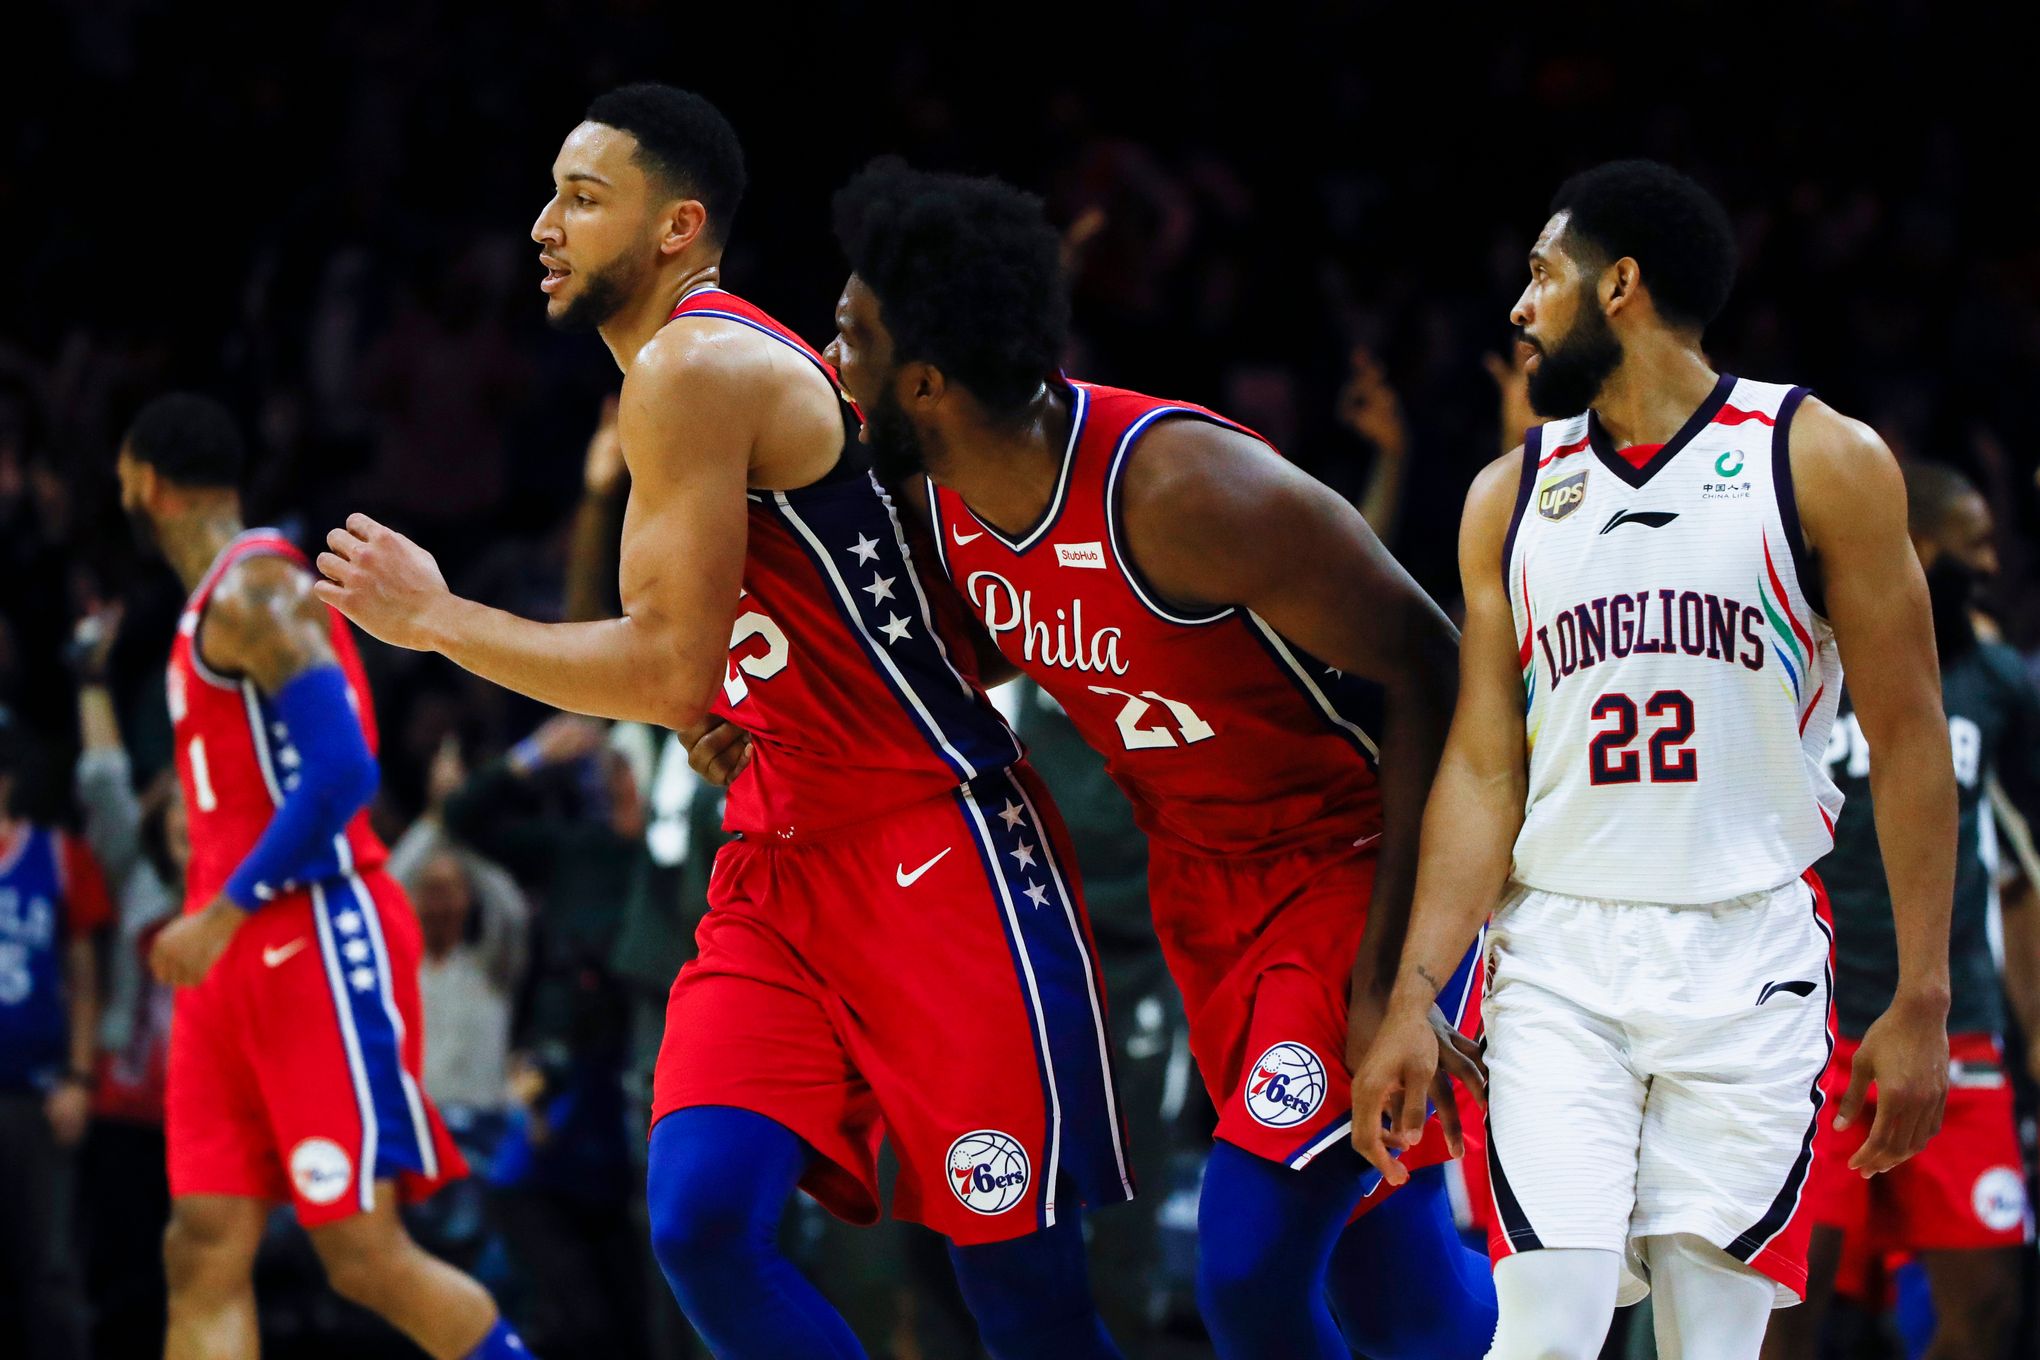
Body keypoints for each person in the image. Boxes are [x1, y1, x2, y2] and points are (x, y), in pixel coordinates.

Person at [312, 84, 1133, 1360]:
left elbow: (664, 674)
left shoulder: (693, 364)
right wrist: (764, 697)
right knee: (699, 1215)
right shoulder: (677, 373)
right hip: (783, 848)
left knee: (1026, 1298)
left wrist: (434, 619)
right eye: (549, 194)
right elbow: (733, 653)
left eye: (585, 200)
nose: (545, 225)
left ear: (681, 226)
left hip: (935, 849)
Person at [720, 160, 1496, 1359]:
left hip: (1345, 865)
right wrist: (764, 708)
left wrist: (1395, 974)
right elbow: (932, 667)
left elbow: (1434, 665)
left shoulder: (1184, 489)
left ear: (922, 382)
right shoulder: (937, 504)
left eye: (847, 335)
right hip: (1199, 886)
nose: (827, 365)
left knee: (1243, 1262)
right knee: (1388, 1266)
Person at [1351, 159, 1957, 1360]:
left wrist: (1924, 993)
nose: (1520, 308)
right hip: (1560, 953)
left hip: (1747, 954)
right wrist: (1418, 989)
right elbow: (1482, 767)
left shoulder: (1820, 457)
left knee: (1710, 1344)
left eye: (1543, 275)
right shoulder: (1508, 496)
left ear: (1619, 285)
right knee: (1543, 1335)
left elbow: (1911, 738)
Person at [115, 392, 531, 1360]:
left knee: (363, 1255)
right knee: (202, 1245)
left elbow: (345, 769)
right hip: (234, 958)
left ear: (146, 481)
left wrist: (224, 908)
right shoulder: (208, 606)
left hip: (309, 933)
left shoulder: (256, 589)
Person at [1761, 462, 2040, 1360]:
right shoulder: (1786, 662)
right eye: (1973, 545)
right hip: (1810, 1029)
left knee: (1991, 1307)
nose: (1991, 564)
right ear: (1914, 550)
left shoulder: (2001, 685)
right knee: (1790, 1311)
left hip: (1952, 1024)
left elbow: (2022, 872)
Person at [0, 713, 107, 1360]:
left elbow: (87, 979)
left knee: (48, 1271)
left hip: (38, 1096)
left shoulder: (59, 855)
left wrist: (80, 1076)